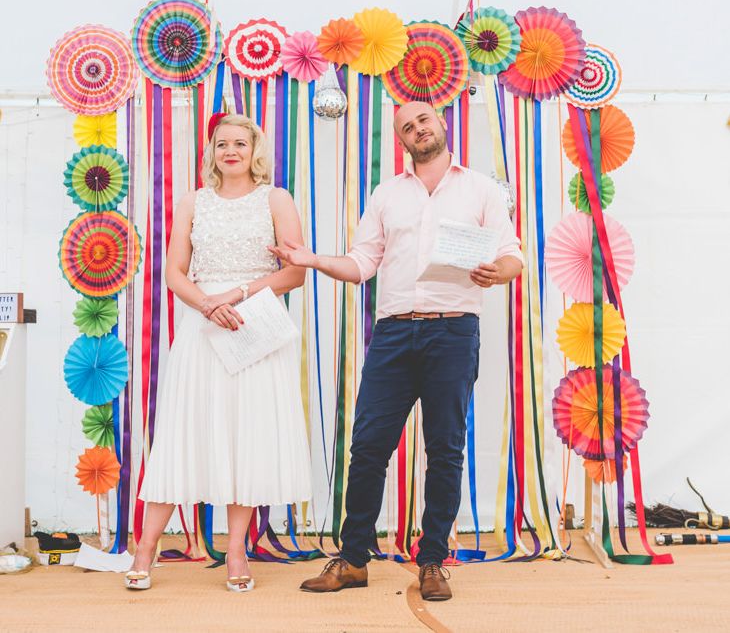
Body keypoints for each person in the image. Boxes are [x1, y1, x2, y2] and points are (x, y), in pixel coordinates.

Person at [270, 100, 523, 601]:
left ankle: (432, 562)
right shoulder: (387, 194)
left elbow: (511, 253)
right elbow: (364, 263)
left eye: (423, 120)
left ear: (442, 124)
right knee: (367, 447)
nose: (417, 129)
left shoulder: (481, 189)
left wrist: (501, 272)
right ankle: (354, 559)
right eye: (407, 126)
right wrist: (312, 259)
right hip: (392, 335)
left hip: (453, 332)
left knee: (445, 448)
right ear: (402, 140)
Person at [125, 113, 312, 593]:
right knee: (181, 434)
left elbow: (295, 272)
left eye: (240, 143)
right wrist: (208, 304)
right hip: (201, 328)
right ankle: (145, 548)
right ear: (212, 151)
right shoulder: (192, 202)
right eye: (222, 144)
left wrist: (238, 296)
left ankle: (235, 552)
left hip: (255, 327)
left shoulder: (277, 199)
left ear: (255, 150)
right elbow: (174, 273)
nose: (231, 151)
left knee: (245, 436)